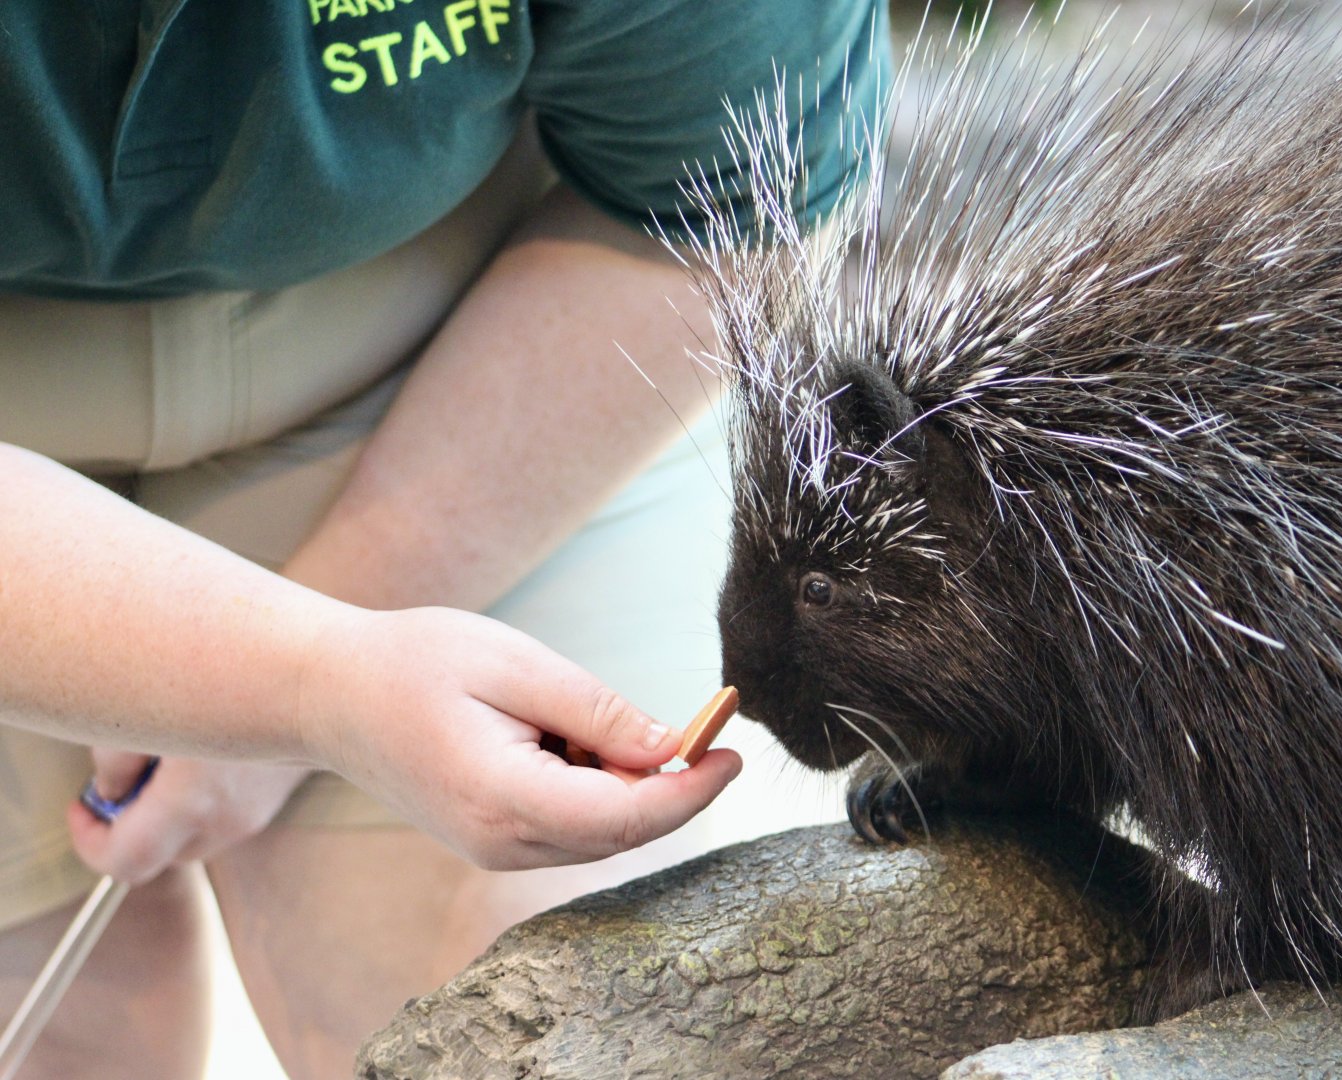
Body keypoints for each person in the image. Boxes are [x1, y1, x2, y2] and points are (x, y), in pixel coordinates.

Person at [0, 1, 888, 1076]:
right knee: (60, 1017)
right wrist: (294, 685)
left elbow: (720, 207)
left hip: (478, 314)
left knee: (538, 991)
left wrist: (342, 644)